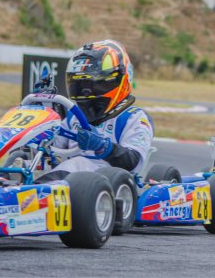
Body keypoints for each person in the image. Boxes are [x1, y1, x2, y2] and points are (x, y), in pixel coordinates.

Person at [40, 40, 154, 180]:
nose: (85, 91)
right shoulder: (74, 116)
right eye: (80, 84)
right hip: (73, 182)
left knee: (79, 163)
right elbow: (53, 147)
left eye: (92, 84)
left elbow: (134, 162)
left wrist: (104, 147)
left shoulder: (134, 118)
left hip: (113, 183)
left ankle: (39, 190)